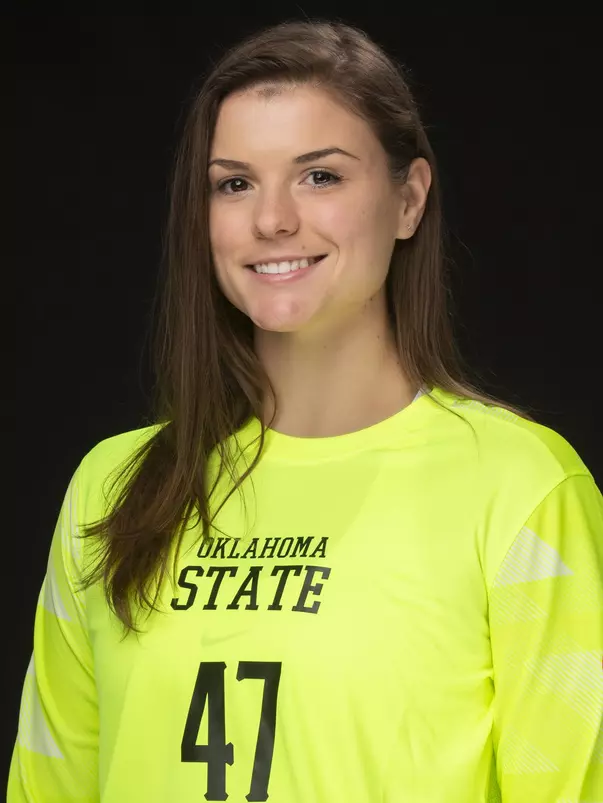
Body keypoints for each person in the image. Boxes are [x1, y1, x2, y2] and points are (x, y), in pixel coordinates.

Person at [8, 18, 602, 803]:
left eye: (319, 176)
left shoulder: (523, 489)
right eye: (234, 182)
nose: (272, 219)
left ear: (407, 199)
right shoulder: (112, 487)